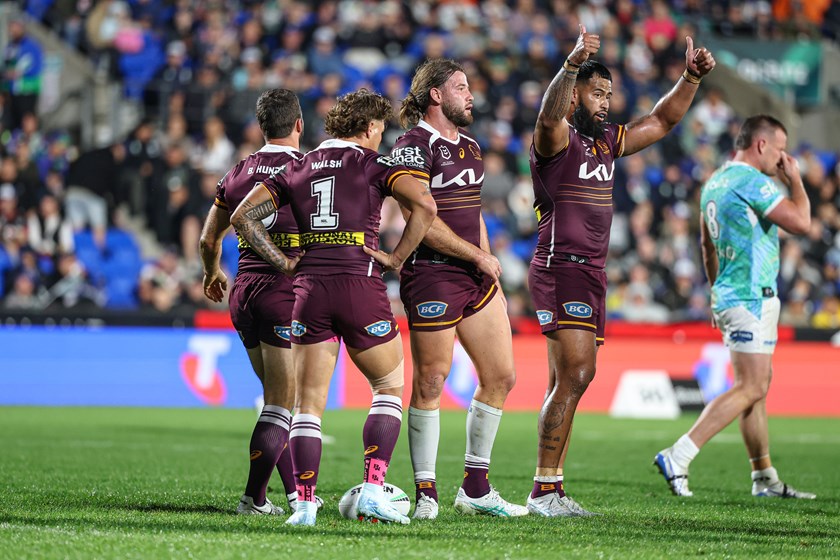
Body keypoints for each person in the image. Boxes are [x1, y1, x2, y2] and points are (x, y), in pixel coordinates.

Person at [526, 25, 715, 516]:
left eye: (609, 94)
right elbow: (547, 115)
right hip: (561, 266)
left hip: (592, 273)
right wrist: (571, 65)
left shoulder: (609, 142)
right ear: (574, 96)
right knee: (578, 373)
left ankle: (552, 489)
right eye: (597, 93)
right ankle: (543, 491)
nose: (606, 102)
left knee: (566, 381)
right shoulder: (555, 139)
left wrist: (690, 79)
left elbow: (662, 120)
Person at [230, 88, 436, 526]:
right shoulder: (375, 164)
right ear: (369, 127)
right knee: (388, 386)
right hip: (360, 285)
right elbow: (425, 204)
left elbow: (242, 217)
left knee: (307, 405)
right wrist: (397, 258)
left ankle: (304, 506)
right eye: (380, 129)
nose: (380, 136)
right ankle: (374, 490)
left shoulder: (298, 166)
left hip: (308, 292)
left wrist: (283, 261)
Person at [390, 59, 528, 519]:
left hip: (475, 276)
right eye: (461, 87)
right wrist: (478, 256)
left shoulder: (470, 146)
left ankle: (475, 488)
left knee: (501, 376)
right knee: (431, 380)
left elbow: (474, 213)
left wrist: (488, 266)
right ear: (436, 94)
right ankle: (426, 493)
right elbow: (420, 220)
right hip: (432, 274)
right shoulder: (412, 145)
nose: (471, 95)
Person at [654, 115, 816, 499]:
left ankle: (764, 477)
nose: (783, 158)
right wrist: (795, 180)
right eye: (780, 149)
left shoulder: (715, 181)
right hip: (750, 295)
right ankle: (679, 454)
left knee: (755, 388)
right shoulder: (752, 181)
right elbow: (802, 222)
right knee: (752, 385)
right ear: (761, 145)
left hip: (732, 293)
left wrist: (716, 291)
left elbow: (705, 245)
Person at [199, 88, 312, 516]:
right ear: (299, 124)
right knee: (283, 403)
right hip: (284, 290)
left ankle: (295, 495)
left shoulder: (238, 171)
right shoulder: (306, 169)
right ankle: (253, 498)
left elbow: (208, 239)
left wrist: (212, 272)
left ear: (262, 127)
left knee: (275, 401)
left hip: (244, 290)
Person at [2, 16, 43, 130]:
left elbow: (32, 67)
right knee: (12, 122)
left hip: (27, 90)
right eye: (11, 27)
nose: (12, 30)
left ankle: (29, 138)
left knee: (27, 119)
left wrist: (15, 73)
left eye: (15, 27)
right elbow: (6, 66)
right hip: (12, 91)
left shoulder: (31, 46)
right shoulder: (10, 46)